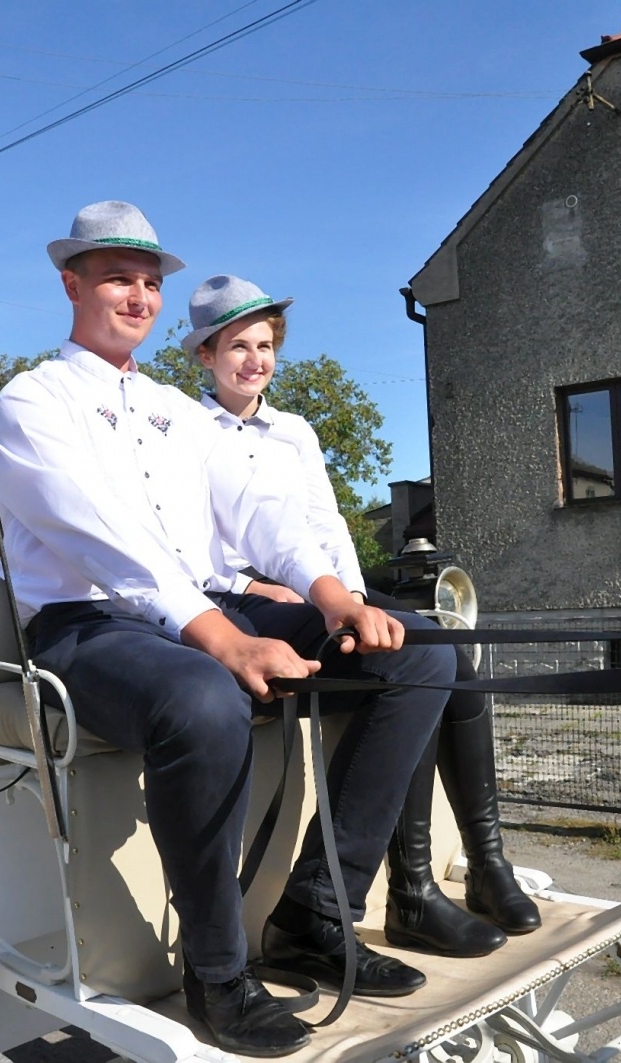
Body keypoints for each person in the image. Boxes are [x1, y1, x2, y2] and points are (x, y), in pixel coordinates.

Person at [0, 201, 454, 1057]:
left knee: (417, 654)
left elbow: (260, 510)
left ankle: (321, 906)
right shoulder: (32, 401)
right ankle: (217, 970)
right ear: (71, 284)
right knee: (205, 697)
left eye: (148, 281)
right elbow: (101, 537)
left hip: (196, 608)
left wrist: (336, 597)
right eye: (116, 278)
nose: (137, 296)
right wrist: (222, 636)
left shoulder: (173, 411)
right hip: (84, 626)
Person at [184, 275, 541, 961]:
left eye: (264, 345)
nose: (253, 359)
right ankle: (406, 889)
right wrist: (267, 587)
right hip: (234, 601)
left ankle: (482, 860)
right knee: (410, 656)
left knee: (434, 644)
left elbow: (323, 524)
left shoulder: (294, 432)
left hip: (314, 593)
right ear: (205, 354)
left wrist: (349, 602)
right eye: (236, 346)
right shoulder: (186, 431)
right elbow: (201, 541)